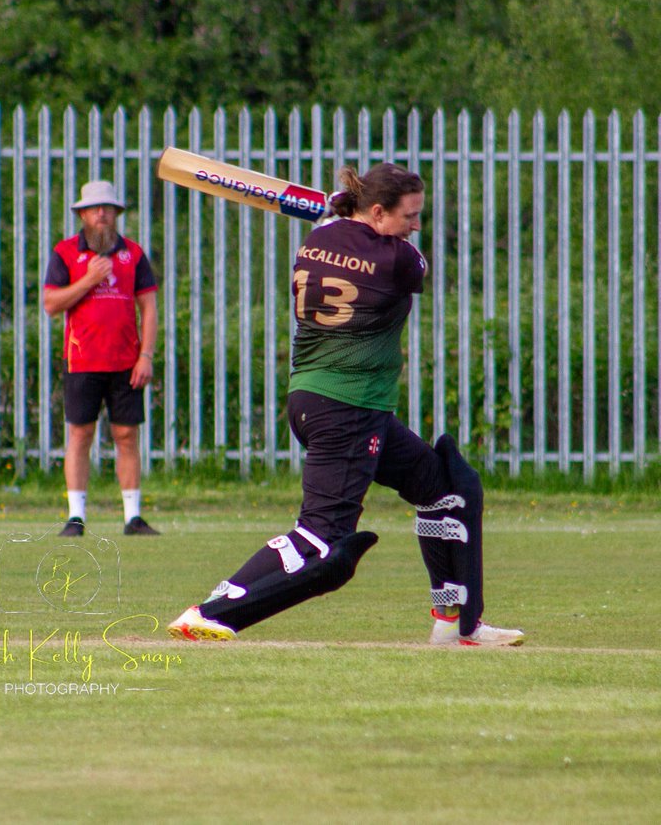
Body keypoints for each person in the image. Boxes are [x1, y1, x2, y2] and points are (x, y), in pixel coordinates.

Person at [168, 163, 524, 647]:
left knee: (447, 490)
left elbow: (345, 230)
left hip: (317, 398)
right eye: (409, 216)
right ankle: (212, 610)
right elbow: (414, 265)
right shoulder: (399, 260)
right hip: (347, 408)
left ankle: (456, 622)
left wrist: (342, 212)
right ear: (377, 212)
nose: (416, 225)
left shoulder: (319, 236)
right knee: (319, 538)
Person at [43, 180, 160, 537]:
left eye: (108, 209)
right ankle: (75, 516)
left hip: (126, 361)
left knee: (126, 435)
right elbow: (51, 304)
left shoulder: (134, 254)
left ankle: (132, 517)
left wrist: (146, 356)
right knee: (80, 433)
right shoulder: (65, 253)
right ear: (82, 215)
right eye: (95, 210)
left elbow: (149, 308)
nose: (102, 215)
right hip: (82, 360)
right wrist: (90, 280)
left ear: (116, 215)